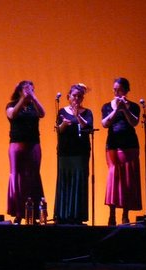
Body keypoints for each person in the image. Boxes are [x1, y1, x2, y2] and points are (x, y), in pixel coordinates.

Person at [101, 77, 141, 226]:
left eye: (119, 89)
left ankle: (125, 215)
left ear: (126, 90)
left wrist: (125, 109)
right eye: (114, 89)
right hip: (113, 146)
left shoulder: (134, 106)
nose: (116, 92)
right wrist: (117, 109)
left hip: (130, 146)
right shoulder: (107, 106)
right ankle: (112, 215)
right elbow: (105, 123)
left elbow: (134, 122)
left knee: (128, 181)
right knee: (113, 179)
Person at [6, 80, 46, 224]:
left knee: (33, 177)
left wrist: (34, 98)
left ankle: (34, 214)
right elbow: (12, 115)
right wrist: (22, 98)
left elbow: (42, 113)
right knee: (17, 177)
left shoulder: (33, 107)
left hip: (33, 145)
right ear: (19, 91)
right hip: (17, 146)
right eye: (27, 89)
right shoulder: (11, 105)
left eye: (32, 89)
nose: (30, 92)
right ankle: (18, 213)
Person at [54, 83, 93, 225]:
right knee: (65, 182)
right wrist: (64, 124)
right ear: (68, 97)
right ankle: (63, 215)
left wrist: (78, 116)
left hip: (81, 153)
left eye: (79, 96)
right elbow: (58, 130)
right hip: (65, 153)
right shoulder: (62, 112)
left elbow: (88, 128)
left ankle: (77, 216)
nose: (76, 98)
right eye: (74, 96)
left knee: (79, 182)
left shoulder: (87, 112)